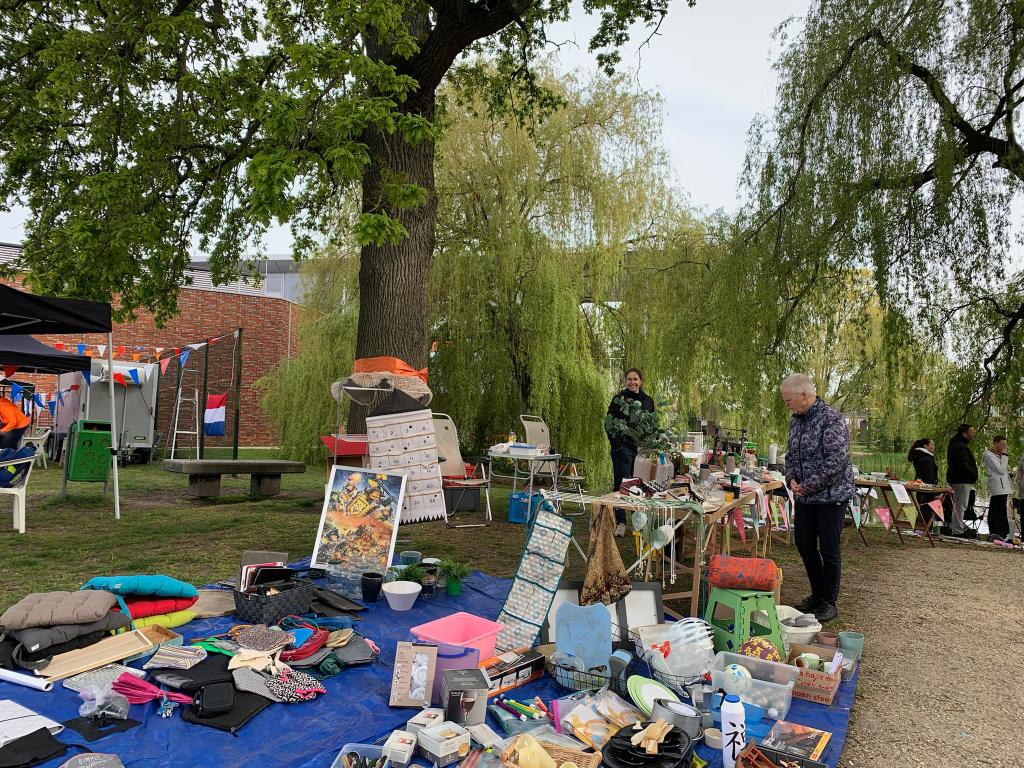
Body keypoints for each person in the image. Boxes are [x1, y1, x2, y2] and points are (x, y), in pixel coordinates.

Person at [780, 373, 853, 624]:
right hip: (804, 496)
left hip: (831, 497)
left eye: (788, 399)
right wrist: (790, 477)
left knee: (829, 548)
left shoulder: (832, 419)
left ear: (804, 395)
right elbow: (790, 453)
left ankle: (828, 602)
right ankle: (817, 594)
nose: (786, 403)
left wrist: (808, 486)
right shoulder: (796, 420)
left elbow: (836, 461)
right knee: (804, 543)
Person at [605, 368, 655, 537]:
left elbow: (651, 424)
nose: (632, 382)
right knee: (622, 484)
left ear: (641, 381)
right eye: (629, 379)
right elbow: (609, 424)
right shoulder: (619, 400)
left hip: (641, 451)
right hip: (623, 449)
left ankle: (637, 521)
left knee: (639, 485)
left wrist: (647, 444)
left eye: (635, 379)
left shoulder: (648, 401)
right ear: (625, 381)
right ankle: (620, 522)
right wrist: (617, 444)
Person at [946, 424, 978, 539]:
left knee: (958, 505)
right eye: (971, 432)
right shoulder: (960, 446)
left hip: (957, 479)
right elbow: (963, 464)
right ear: (964, 433)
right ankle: (958, 530)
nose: (973, 434)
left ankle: (957, 528)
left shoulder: (956, 444)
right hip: (961, 480)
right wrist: (973, 474)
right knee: (960, 505)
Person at [982, 435, 1012, 543]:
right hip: (998, 486)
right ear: (995, 443)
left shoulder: (997, 455)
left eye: (1005, 445)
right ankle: (997, 531)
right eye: (1002, 445)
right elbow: (1001, 470)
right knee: (997, 508)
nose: (1003, 447)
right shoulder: (989, 455)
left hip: (1003, 486)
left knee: (1000, 508)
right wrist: (1005, 456)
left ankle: (1001, 531)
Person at [908, 437, 940, 528]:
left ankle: (920, 529)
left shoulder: (919, 456)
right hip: (926, 488)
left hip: (920, 487)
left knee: (922, 509)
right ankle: (925, 531)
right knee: (926, 510)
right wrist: (935, 488)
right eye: (932, 445)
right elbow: (929, 475)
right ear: (925, 446)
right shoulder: (927, 458)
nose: (934, 447)